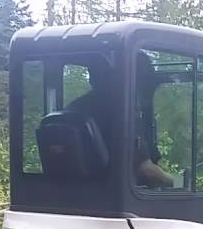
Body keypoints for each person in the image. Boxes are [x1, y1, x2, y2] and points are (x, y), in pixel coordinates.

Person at [62, 56, 177, 189]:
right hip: (110, 196)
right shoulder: (121, 110)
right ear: (131, 79)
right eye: (144, 82)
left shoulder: (75, 107)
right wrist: (175, 183)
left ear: (92, 77)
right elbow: (146, 171)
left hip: (74, 192)